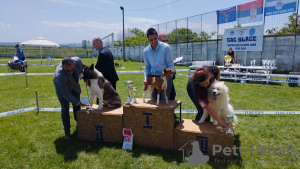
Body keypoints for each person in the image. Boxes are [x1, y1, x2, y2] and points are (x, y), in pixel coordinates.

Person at [53, 57, 86, 140]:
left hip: (75, 86)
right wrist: (78, 102)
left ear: (74, 64)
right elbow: (65, 93)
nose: (71, 72)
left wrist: (83, 76)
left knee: (77, 108)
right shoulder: (59, 75)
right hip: (63, 90)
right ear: (63, 66)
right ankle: (67, 132)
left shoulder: (78, 61)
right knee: (65, 109)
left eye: (72, 69)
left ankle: (79, 124)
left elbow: (83, 69)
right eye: (68, 71)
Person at [144, 28, 175, 100]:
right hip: (154, 78)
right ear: (147, 39)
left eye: (155, 38)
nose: (154, 41)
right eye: (151, 40)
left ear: (157, 36)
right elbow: (147, 66)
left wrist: (169, 75)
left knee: (165, 100)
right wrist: (146, 78)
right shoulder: (146, 51)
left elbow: (170, 63)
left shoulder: (166, 48)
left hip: (166, 77)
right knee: (154, 100)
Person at [93, 37, 119, 104]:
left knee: (104, 102)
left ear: (99, 43)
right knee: (112, 101)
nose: (93, 47)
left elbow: (99, 70)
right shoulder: (107, 51)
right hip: (111, 79)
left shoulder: (102, 54)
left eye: (94, 44)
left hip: (107, 82)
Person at [158, 32, 176, 100]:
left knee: (172, 95)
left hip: (169, 77)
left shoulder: (167, 48)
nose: (165, 42)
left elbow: (168, 62)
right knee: (163, 97)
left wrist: (172, 63)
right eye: (163, 40)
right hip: (160, 78)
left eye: (166, 40)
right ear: (158, 40)